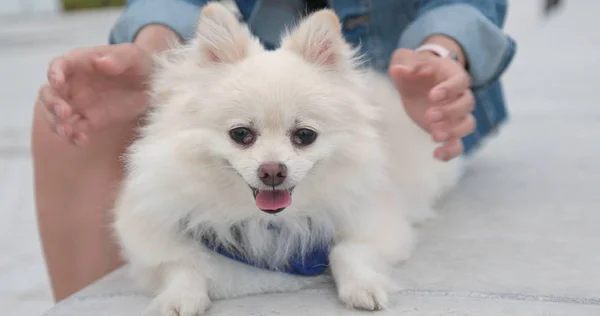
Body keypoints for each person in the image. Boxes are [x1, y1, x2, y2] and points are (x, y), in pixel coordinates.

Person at [32, 0, 516, 302]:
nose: (272, 165)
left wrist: (439, 56)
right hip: (230, 82)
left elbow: (466, 5)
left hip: (398, 94)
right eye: (243, 137)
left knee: (383, 172)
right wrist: (154, 54)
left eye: (301, 139)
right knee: (62, 112)